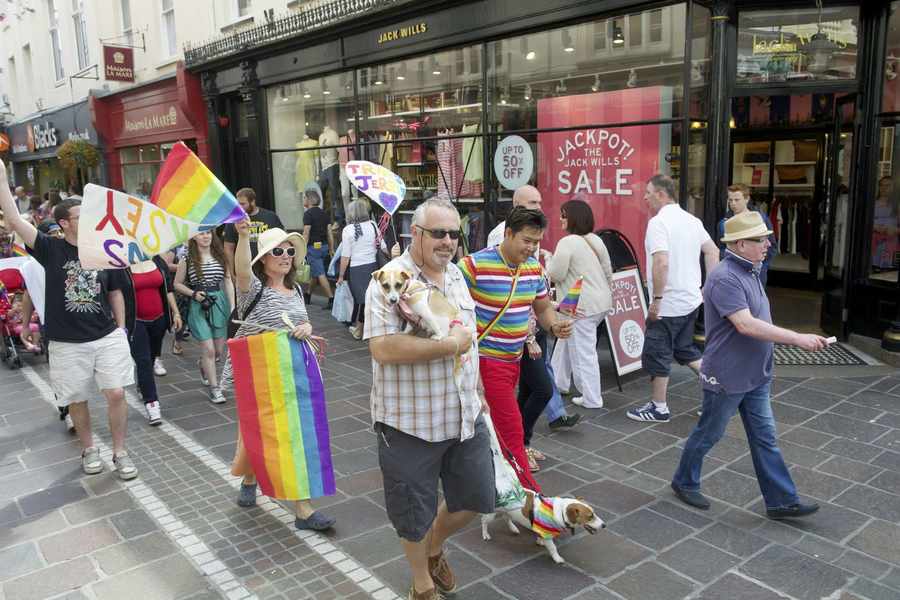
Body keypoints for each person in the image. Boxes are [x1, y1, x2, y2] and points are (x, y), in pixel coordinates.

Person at [365, 197, 492, 600]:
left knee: (476, 498)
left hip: (464, 415)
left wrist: (479, 391)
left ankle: (435, 547)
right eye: (439, 233)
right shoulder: (388, 278)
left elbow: (469, 341)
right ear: (415, 234)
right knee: (411, 514)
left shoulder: (456, 276)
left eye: (454, 233)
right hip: (409, 423)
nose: (448, 241)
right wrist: (448, 347)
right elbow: (382, 348)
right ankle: (421, 582)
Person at [671, 211, 827, 518]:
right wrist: (796, 338)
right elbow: (745, 324)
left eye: (767, 237)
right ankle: (683, 480)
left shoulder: (751, 269)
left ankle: (781, 500)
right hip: (727, 376)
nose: (768, 243)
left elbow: (757, 320)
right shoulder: (725, 276)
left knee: (765, 438)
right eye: (761, 239)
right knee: (709, 434)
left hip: (755, 375)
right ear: (740, 244)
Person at [0, 163, 138, 480]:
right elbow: (14, 220)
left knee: (116, 393)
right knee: (76, 398)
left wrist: (120, 328)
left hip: (106, 335)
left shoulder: (103, 248)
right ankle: (90, 449)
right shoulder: (50, 248)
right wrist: (3, 180)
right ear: (64, 223)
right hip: (66, 341)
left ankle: (121, 452)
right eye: (80, 216)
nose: (88, 219)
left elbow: (115, 290)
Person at [225, 222, 337, 531]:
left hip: (294, 370)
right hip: (260, 374)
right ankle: (302, 508)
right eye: (278, 251)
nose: (286, 256)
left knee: (279, 432)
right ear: (263, 258)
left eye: (289, 251)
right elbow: (242, 273)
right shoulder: (253, 289)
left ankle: (252, 480)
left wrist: (308, 329)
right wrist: (244, 237)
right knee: (273, 432)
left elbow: (302, 322)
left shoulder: (297, 289)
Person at [460, 206, 573, 491]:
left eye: (537, 242)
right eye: (526, 240)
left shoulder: (534, 269)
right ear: (508, 233)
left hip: (515, 362)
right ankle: (530, 499)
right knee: (512, 431)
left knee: (491, 428)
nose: (532, 248)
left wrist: (554, 326)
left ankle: (482, 480)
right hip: (487, 363)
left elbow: (543, 308)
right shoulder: (473, 266)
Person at [488, 186, 581, 436]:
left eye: (540, 201)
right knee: (540, 387)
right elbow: (502, 290)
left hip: (532, 327)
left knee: (533, 388)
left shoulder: (533, 262)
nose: (538, 206)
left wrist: (552, 323)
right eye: (532, 202)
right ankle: (519, 439)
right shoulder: (486, 254)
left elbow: (537, 297)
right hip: (508, 340)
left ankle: (522, 439)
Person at [626, 174, 719, 423]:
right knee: (684, 349)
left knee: (657, 353)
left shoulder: (659, 223)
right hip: (690, 301)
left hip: (669, 304)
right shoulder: (692, 220)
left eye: (648, 192)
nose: (644, 197)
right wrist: (707, 287)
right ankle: (719, 391)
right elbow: (712, 251)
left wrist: (656, 300)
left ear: (661, 194)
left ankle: (659, 408)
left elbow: (661, 262)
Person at [547, 198, 614, 410]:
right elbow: (608, 271)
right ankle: (558, 382)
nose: (560, 219)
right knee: (567, 340)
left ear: (573, 218)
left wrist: (548, 260)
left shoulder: (567, 243)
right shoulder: (596, 240)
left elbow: (556, 273)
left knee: (583, 351)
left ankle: (592, 398)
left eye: (564, 215)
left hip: (579, 305)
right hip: (600, 302)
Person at [118, 257, 182, 425]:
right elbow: (115, 294)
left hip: (159, 320)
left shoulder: (157, 261)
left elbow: (168, 289)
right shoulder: (121, 265)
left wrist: (175, 312)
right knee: (144, 361)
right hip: (135, 322)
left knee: (152, 357)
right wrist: (120, 324)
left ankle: (142, 384)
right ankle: (152, 404)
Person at [174, 231, 234, 404]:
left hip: (219, 303)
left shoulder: (220, 255)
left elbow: (228, 280)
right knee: (208, 349)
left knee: (217, 352)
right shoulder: (187, 258)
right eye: (201, 234)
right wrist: (193, 294)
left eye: (208, 233)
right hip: (198, 304)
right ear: (193, 237)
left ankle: (204, 365)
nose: (205, 236)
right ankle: (215, 388)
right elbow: (176, 284)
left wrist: (232, 306)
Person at [337, 199, 387, 340]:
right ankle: (367, 328)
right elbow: (383, 247)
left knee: (362, 301)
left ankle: (359, 330)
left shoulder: (347, 230)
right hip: (373, 267)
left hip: (356, 270)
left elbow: (345, 256)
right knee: (370, 299)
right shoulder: (372, 225)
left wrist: (341, 275)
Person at [716, 184, 776, 286]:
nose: (733, 203)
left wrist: (760, 265)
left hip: (757, 271)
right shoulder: (724, 223)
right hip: (733, 272)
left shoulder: (760, 219)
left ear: (747, 199)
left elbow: (771, 245)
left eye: (737, 200)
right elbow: (721, 248)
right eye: (730, 200)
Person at [222, 187, 284, 273]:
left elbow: (283, 241)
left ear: (253, 202)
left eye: (243, 204)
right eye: (238, 204)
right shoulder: (234, 220)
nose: (239, 207)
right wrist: (231, 273)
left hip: (268, 268)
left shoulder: (270, 217)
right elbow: (228, 248)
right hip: (244, 270)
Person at [301, 185, 335, 309]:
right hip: (324, 247)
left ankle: (332, 299)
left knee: (320, 273)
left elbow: (306, 233)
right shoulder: (324, 214)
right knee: (316, 272)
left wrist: (302, 249)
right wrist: (331, 249)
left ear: (309, 200)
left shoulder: (308, 214)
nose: (303, 200)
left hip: (313, 249)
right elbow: (330, 233)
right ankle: (308, 294)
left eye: (304, 198)